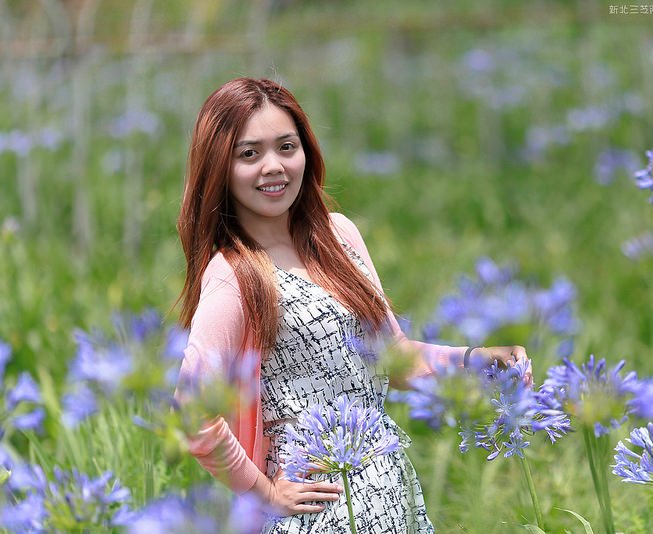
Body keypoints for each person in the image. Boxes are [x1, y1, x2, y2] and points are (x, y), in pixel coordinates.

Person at [175, 77, 530, 533]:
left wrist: (475, 360)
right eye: (249, 154)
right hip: (316, 510)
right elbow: (191, 411)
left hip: (390, 490)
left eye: (287, 146)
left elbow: (393, 361)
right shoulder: (234, 274)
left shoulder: (338, 236)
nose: (274, 166)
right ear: (218, 166)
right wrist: (262, 492)